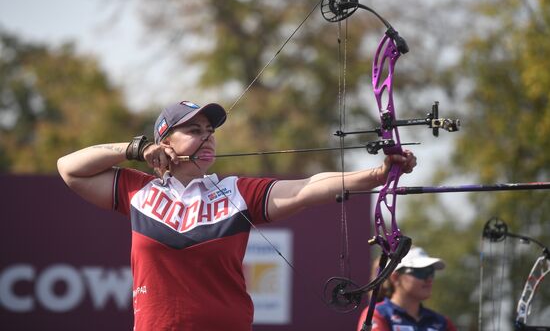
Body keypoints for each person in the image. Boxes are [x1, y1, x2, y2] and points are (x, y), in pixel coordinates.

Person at [57, 100, 417, 331]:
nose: (208, 137)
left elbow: (307, 187)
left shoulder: (234, 193)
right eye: (194, 130)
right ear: (164, 141)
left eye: (211, 131)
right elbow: (69, 168)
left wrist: (375, 175)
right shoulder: (139, 192)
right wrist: (134, 148)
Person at [357, 246, 457, 331]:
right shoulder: (377, 314)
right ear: (395, 277)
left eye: (431, 272)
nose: (429, 279)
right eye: (421, 272)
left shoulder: (442, 322)